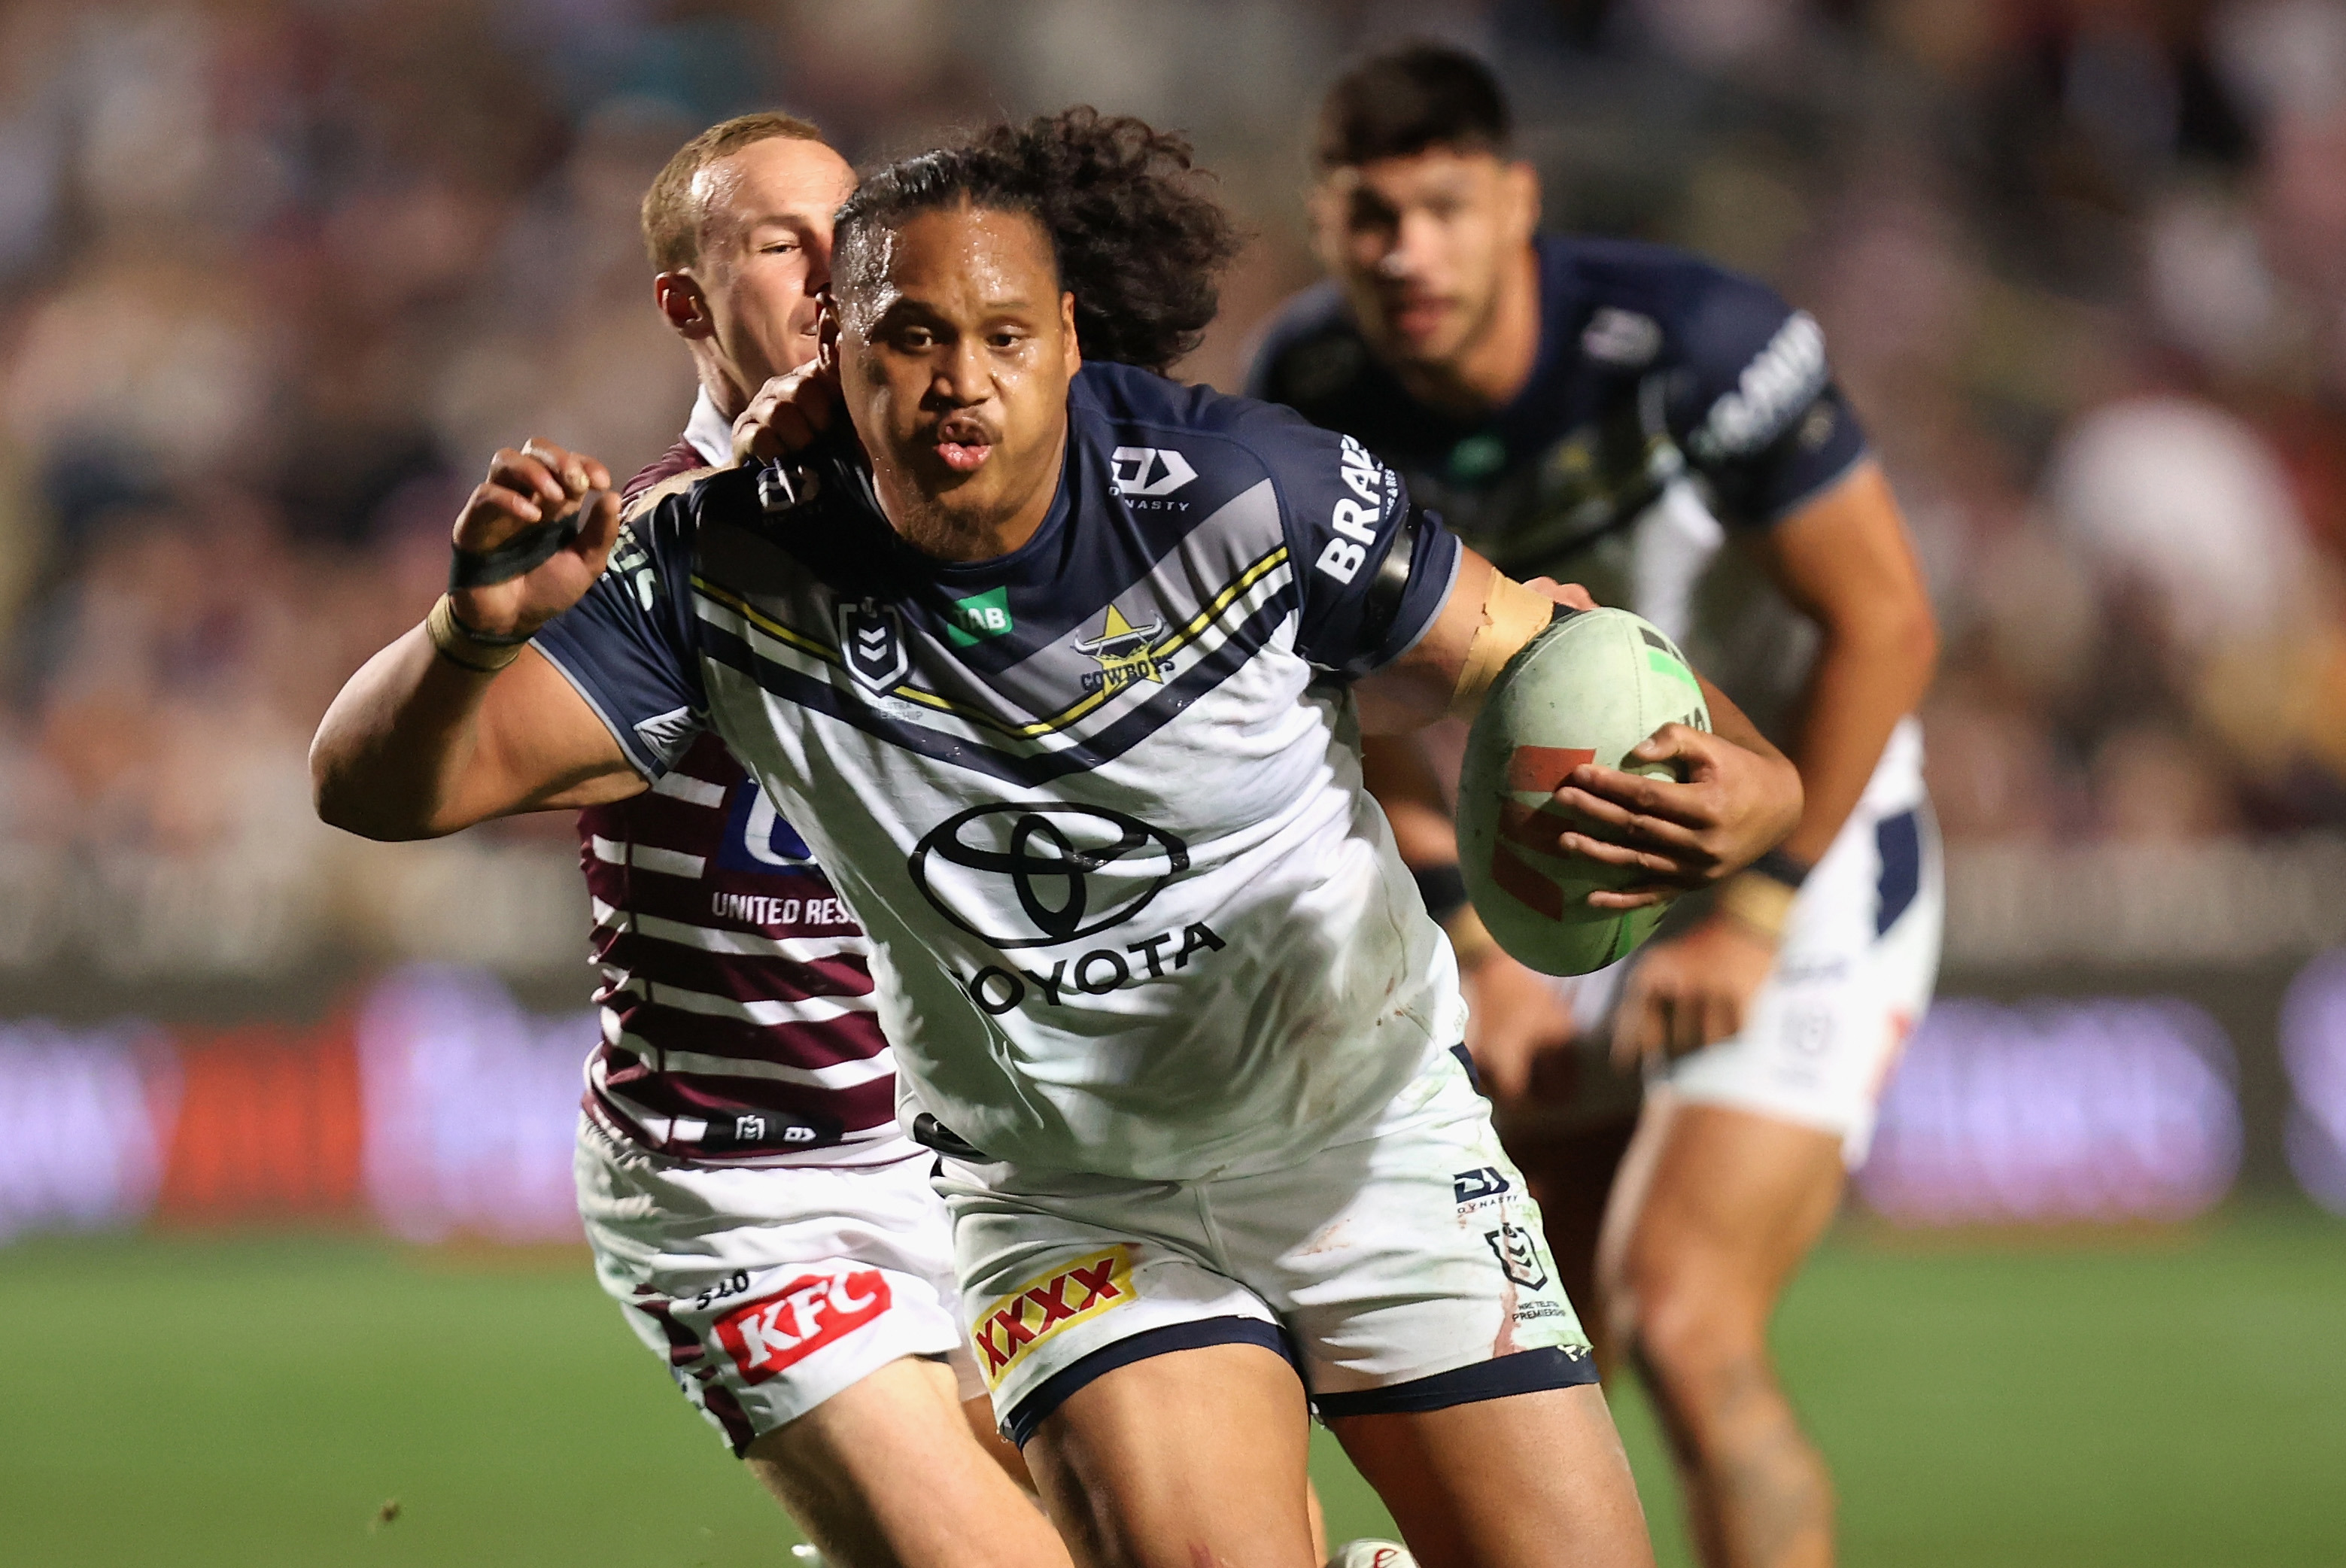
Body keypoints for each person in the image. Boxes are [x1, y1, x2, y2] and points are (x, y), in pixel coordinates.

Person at [312, 108, 1804, 1568]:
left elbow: (1544, 652)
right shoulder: (719, 564)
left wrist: (1757, 788)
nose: (961, 381)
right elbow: (376, 789)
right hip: (1064, 1197)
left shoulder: (1250, 493)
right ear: (837, 341)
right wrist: (465, 629)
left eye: (1004, 337)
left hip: (1364, 1137)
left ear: (1071, 340)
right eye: (909, 337)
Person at [1247, 45, 1943, 1568]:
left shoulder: (1697, 344)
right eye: (1370, 217)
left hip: (1792, 841)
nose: (1407, 253)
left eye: (1442, 208)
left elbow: (1885, 621)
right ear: (1323, 223)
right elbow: (1346, 706)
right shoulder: (1307, 391)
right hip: (1535, 871)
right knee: (1524, 1326)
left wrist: (1753, 916)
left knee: (1683, 1319)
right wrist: (1472, 941)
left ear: (1518, 204)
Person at [527, 111, 1074, 1568]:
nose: (834, 270)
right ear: (686, 304)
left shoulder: (970, 504)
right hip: (749, 1177)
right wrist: (476, 632)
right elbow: (419, 780)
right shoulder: (645, 546)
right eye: (782, 243)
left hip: (982, 1158)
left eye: (854, 232)